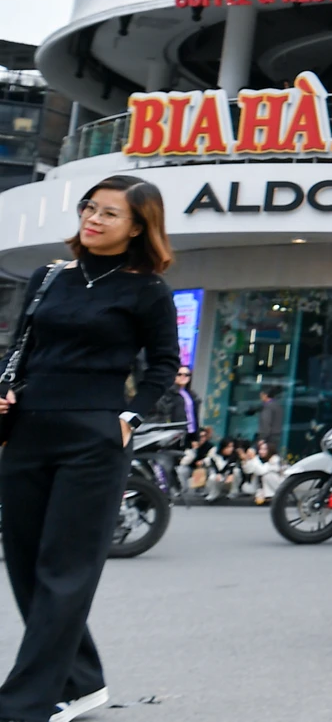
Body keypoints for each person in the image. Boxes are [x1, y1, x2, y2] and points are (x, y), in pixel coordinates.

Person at [0, 174, 178, 722]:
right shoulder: (49, 277)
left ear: (136, 229)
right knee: (26, 564)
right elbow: (20, 349)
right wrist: (6, 391)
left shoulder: (147, 290)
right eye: (89, 207)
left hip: (94, 438)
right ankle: (82, 683)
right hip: (28, 428)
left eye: (109, 214)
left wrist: (128, 417)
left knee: (66, 569)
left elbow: (164, 364)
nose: (93, 219)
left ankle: (27, 701)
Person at [156, 364, 199, 436]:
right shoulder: (168, 393)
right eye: (179, 374)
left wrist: (195, 436)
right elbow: (164, 413)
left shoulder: (191, 394)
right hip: (174, 432)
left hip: (189, 432)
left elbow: (194, 415)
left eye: (187, 375)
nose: (183, 377)